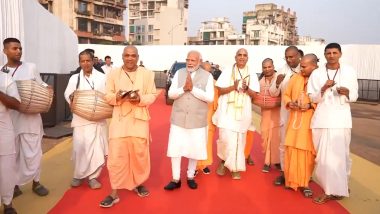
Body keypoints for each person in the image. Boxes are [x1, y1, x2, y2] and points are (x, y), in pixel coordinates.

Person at [99, 46, 157, 208]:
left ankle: (138, 183)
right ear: (122, 57)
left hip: (139, 121)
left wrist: (139, 99)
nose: (130, 58)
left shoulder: (147, 74)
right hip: (119, 122)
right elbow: (107, 96)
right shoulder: (113, 74)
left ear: (138, 57)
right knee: (116, 158)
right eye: (127, 55)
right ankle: (114, 192)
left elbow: (152, 95)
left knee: (139, 155)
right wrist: (117, 97)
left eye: (133, 55)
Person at [308, 43, 358, 204]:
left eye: (334, 52)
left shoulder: (349, 71)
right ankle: (336, 186)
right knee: (322, 159)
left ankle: (332, 190)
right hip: (322, 119)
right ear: (324, 55)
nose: (331, 55)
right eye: (328, 53)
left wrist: (347, 92)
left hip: (341, 120)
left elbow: (355, 95)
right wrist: (323, 88)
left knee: (340, 157)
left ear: (340, 54)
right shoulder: (316, 73)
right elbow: (311, 97)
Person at [2, 38, 50, 197]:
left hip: (31, 118)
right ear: (5, 51)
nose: (18, 51)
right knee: (13, 155)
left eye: (20, 48)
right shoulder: (2, 72)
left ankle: (36, 182)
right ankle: (13, 184)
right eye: (14, 48)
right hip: (12, 120)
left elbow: (41, 85)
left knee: (34, 152)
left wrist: (48, 90)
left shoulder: (31, 67)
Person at [164, 51, 214, 190]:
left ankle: (191, 176)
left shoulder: (207, 76)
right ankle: (176, 179)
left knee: (195, 149)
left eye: (193, 60)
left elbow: (210, 98)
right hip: (178, 118)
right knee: (175, 149)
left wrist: (192, 90)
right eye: (188, 60)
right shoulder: (179, 73)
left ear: (199, 61)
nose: (190, 62)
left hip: (197, 119)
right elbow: (170, 94)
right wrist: (183, 89)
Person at [212, 48, 260, 180]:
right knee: (225, 139)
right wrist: (234, 86)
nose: (242, 57)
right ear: (235, 57)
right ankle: (223, 161)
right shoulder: (228, 71)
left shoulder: (252, 74)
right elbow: (219, 91)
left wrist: (246, 88)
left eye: (245, 55)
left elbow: (255, 95)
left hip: (242, 112)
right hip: (227, 112)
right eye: (240, 55)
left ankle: (235, 168)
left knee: (239, 140)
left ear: (247, 58)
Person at [64, 50, 108, 189]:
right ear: (79, 63)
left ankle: (93, 177)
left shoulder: (102, 77)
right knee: (79, 148)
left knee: (96, 149)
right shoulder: (74, 78)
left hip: (97, 120)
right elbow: (67, 94)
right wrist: (72, 99)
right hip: (80, 119)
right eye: (82, 61)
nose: (85, 63)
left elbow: (107, 95)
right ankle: (77, 175)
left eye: (88, 60)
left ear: (93, 61)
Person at [283, 54, 319, 197]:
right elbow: (286, 94)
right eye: (301, 66)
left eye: (304, 66)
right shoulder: (295, 78)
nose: (301, 69)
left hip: (309, 123)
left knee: (306, 154)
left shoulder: (319, 79)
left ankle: (304, 183)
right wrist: (289, 102)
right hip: (294, 121)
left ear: (314, 66)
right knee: (291, 150)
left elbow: (324, 100)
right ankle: (291, 181)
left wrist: (311, 106)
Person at [269, 46, 301, 185]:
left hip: (302, 115)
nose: (289, 60)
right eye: (286, 57)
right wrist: (277, 82)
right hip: (285, 114)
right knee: (283, 145)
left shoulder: (305, 68)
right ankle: (284, 173)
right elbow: (273, 93)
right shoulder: (282, 70)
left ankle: (300, 175)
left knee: (299, 146)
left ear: (299, 55)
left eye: (292, 57)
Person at [0, 61, 21, 214]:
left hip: (3, 131)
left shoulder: (6, 79)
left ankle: (8, 203)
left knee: (6, 169)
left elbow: (16, 104)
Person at [257, 58, 281, 173]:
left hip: (278, 113)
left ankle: (276, 161)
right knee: (265, 138)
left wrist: (277, 102)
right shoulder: (260, 80)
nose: (267, 69)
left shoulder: (280, 78)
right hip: (265, 113)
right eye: (265, 67)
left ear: (273, 66)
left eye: (269, 67)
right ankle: (267, 162)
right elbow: (256, 96)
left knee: (277, 138)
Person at [195, 62, 219, 175]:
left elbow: (217, 99)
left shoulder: (215, 83)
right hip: (197, 116)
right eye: (205, 70)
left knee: (208, 141)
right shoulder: (194, 82)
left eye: (210, 71)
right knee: (196, 141)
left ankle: (204, 164)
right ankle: (194, 167)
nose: (208, 73)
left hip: (210, 116)